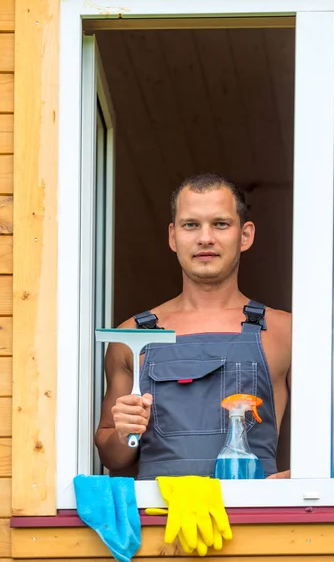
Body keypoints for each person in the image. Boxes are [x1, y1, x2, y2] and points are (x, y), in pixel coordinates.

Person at [95, 173, 291, 480]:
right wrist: (123, 434)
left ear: (245, 235)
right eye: (191, 225)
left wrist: (289, 483)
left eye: (220, 224)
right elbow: (112, 458)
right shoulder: (131, 336)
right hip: (160, 520)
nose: (205, 238)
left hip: (255, 522)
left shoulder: (285, 331)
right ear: (173, 236)